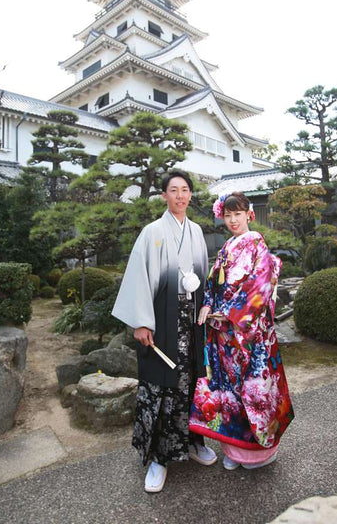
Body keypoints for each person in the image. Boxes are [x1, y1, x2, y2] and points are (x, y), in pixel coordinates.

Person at [112, 170, 217, 493]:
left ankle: (195, 441)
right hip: (162, 321)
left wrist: (206, 304)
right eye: (174, 190)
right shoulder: (152, 232)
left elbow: (204, 273)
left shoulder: (197, 231)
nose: (181, 196)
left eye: (185, 190)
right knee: (162, 387)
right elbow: (139, 277)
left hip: (191, 322)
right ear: (164, 196)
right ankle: (159, 458)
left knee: (192, 381)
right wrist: (141, 322)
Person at [189, 192, 294, 470]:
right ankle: (234, 451)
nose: (233, 220)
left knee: (254, 391)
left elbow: (262, 282)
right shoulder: (225, 247)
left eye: (238, 214)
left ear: (249, 214)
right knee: (229, 394)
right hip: (224, 334)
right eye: (228, 215)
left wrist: (233, 313)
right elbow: (213, 283)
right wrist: (207, 305)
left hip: (249, 333)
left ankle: (258, 453)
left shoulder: (257, 242)